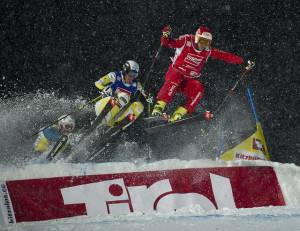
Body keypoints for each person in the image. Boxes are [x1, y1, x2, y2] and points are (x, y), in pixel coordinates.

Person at [151, 25, 254, 122]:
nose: (203, 45)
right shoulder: (186, 40)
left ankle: (178, 114)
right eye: (202, 41)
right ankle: (158, 107)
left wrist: (242, 61)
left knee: (199, 89)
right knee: (176, 78)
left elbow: (225, 56)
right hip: (175, 74)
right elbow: (169, 43)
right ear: (197, 38)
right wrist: (166, 36)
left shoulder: (207, 51)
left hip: (187, 80)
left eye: (207, 42)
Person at [94, 60, 151, 128]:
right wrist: (103, 88)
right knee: (124, 96)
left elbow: (146, 97)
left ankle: (118, 126)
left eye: (135, 75)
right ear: (125, 71)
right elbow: (98, 83)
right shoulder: (115, 75)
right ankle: (101, 121)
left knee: (139, 106)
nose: (132, 77)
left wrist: (149, 98)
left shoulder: (136, 84)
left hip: (115, 115)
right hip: (103, 107)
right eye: (131, 74)